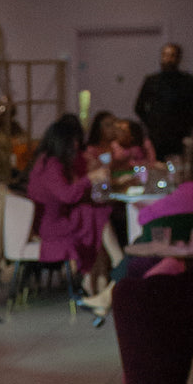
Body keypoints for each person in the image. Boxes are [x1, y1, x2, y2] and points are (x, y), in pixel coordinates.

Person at [27, 114, 122, 291]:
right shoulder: (51, 165)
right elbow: (68, 195)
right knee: (96, 215)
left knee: (94, 216)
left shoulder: (48, 161)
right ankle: (117, 264)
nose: (77, 146)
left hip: (55, 219)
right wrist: (90, 178)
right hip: (51, 226)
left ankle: (99, 283)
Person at [134, 42, 193, 160]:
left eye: (172, 55)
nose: (168, 59)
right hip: (157, 137)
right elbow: (139, 107)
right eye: (165, 55)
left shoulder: (188, 81)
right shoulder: (151, 81)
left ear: (178, 58)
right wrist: (152, 124)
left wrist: (185, 126)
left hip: (180, 137)